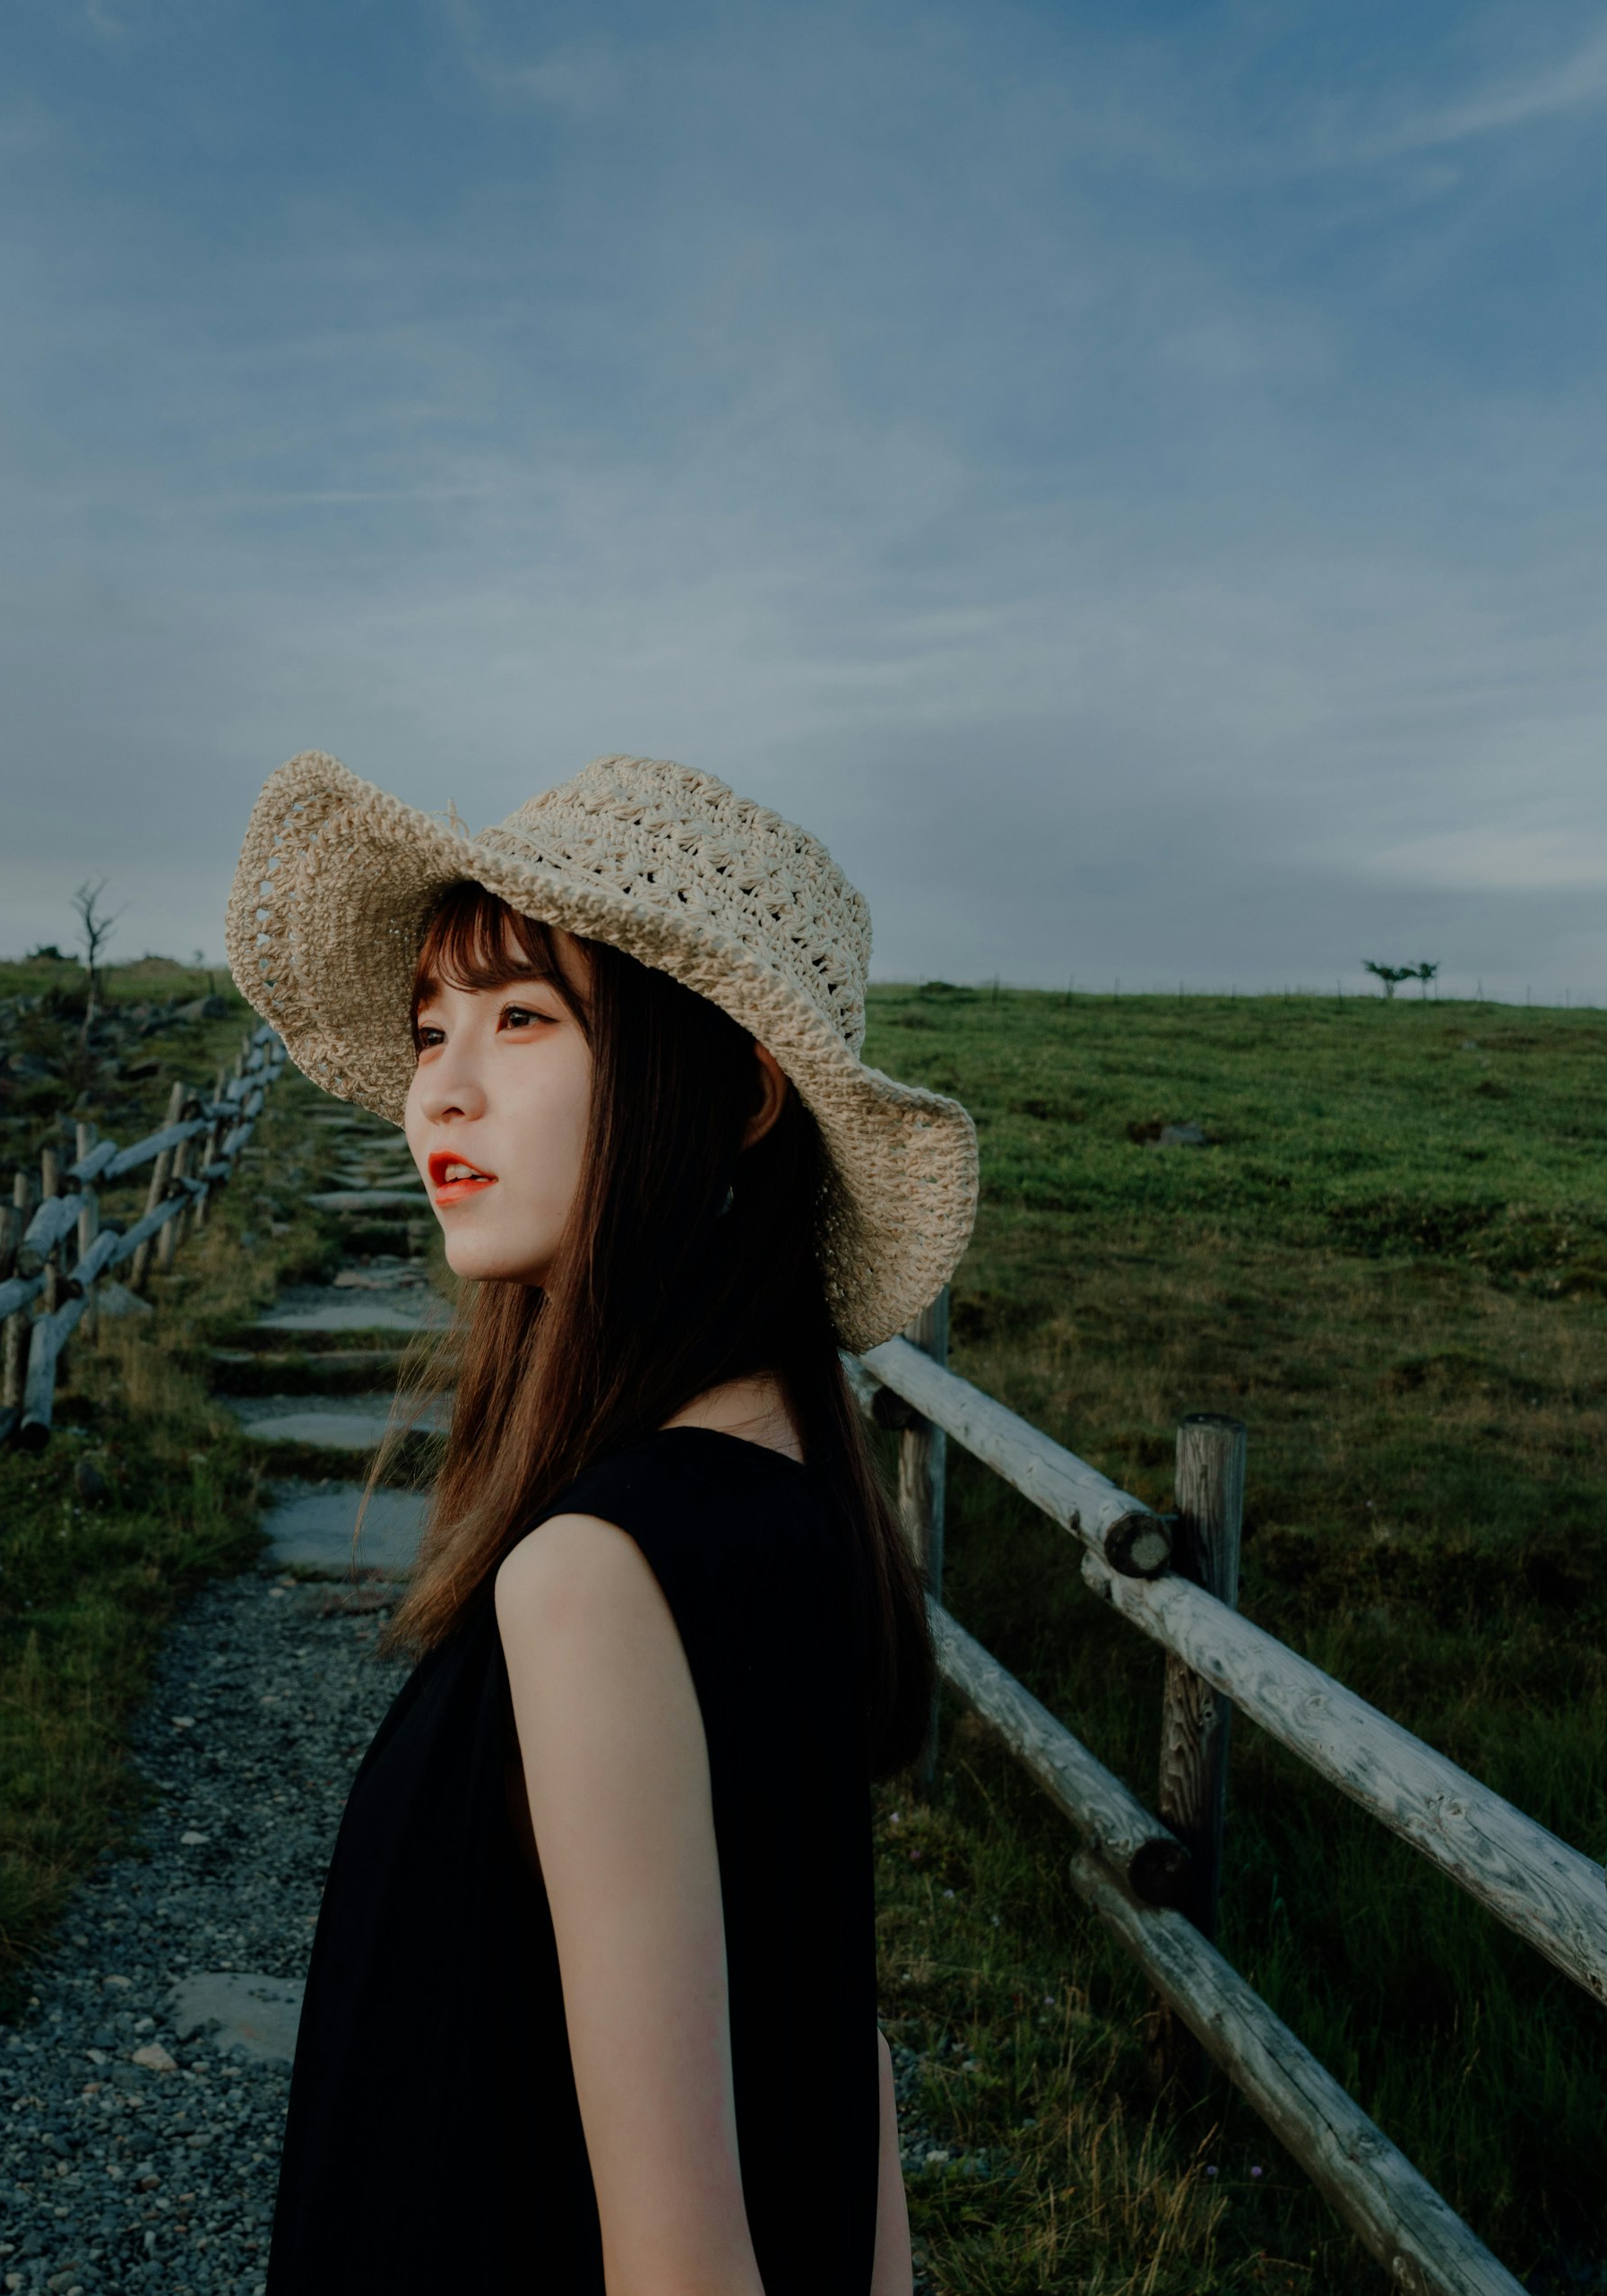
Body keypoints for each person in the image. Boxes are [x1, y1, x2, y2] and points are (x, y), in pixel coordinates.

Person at [229, 754, 982, 2295]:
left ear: (741, 1088)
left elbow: (684, 2259)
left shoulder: (593, 1572)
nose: (442, 1084)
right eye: (433, 1027)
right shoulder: (802, 1500)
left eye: (523, 1018)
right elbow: (841, 2054)